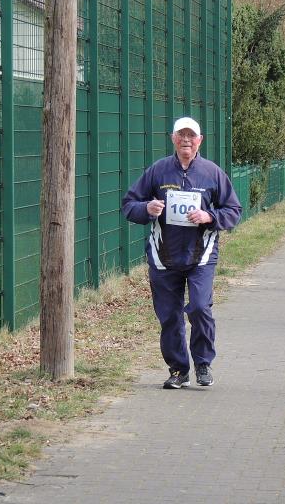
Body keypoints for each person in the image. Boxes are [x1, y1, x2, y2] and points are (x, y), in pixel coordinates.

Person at [122, 117, 242, 389]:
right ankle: (178, 369)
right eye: (181, 135)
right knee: (169, 316)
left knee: (199, 307)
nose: (186, 140)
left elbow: (234, 210)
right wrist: (147, 208)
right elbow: (129, 204)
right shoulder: (158, 171)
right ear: (173, 139)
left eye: (191, 136)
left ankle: (203, 363)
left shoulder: (212, 173)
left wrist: (209, 216)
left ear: (200, 141)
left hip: (201, 255)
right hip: (163, 256)